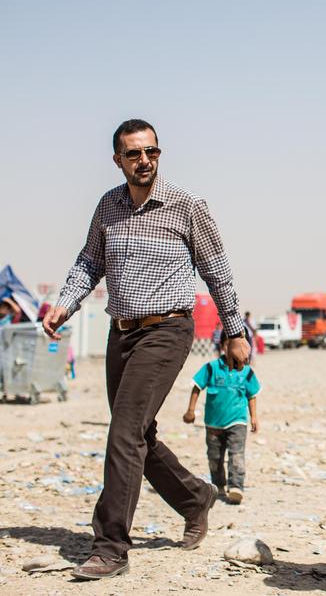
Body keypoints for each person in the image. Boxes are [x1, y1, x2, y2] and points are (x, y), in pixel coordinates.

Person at [42, 119, 249, 580]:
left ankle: (111, 546)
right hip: (122, 333)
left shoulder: (186, 206)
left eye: (151, 152)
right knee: (137, 433)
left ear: (160, 154)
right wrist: (65, 305)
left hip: (168, 330)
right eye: (134, 154)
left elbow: (217, 270)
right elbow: (89, 261)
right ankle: (196, 497)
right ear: (118, 160)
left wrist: (234, 329)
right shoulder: (108, 206)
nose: (144, 161)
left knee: (124, 432)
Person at [183, 331, 261, 504]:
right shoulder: (211, 368)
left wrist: (253, 416)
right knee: (215, 457)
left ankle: (236, 487)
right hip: (213, 423)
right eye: (228, 344)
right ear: (223, 346)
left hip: (238, 421)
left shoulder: (247, 372)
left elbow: (252, 395)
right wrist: (190, 410)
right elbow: (197, 387)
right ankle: (218, 485)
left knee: (237, 455)